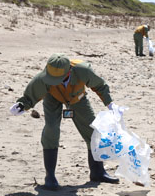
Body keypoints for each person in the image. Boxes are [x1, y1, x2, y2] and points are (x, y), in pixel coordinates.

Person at [9, 53, 120, 190]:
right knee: (51, 130)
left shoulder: (83, 70)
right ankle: (50, 177)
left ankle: (97, 172)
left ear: (69, 72)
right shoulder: (43, 78)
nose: (53, 80)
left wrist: (110, 104)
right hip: (52, 97)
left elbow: (100, 85)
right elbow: (31, 95)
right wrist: (22, 105)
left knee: (93, 131)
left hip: (77, 97)